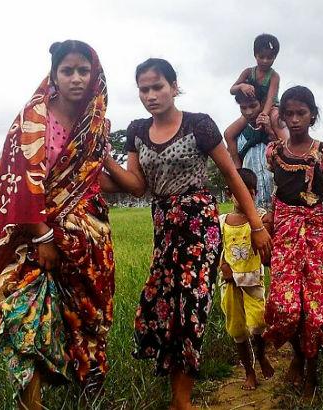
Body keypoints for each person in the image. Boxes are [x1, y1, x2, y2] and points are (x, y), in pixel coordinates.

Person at [102, 58, 271, 410]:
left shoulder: (199, 125)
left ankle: (182, 401)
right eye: (144, 89)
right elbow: (135, 187)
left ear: (174, 87)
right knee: (166, 307)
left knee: (190, 305)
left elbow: (231, 174)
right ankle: (179, 396)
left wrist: (256, 225)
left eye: (157, 87)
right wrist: (103, 158)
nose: (151, 95)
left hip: (199, 223)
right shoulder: (136, 132)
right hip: (164, 225)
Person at [0, 40, 116, 410]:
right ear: (53, 75)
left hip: (88, 235)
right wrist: (44, 236)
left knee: (88, 311)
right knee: (24, 310)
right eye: (68, 70)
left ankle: (90, 384)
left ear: (94, 74)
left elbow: (95, 177)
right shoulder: (33, 119)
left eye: (84, 70)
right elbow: (22, 179)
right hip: (36, 232)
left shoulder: (96, 124)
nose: (76, 78)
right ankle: (30, 401)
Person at [263, 85, 323, 399]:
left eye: (301, 113)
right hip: (283, 234)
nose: (294, 119)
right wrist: (266, 223)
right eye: (288, 113)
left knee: (315, 309)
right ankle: (296, 355)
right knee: (285, 305)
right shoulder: (274, 152)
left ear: (313, 115)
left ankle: (311, 373)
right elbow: (277, 192)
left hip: (315, 232)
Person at [219, 168, 275, 390]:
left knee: (258, 325)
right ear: (228, 192)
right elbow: (216, 248)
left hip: (253, 282)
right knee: (237, 330)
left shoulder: (260, 220)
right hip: (230, 283)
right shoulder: (222, 220)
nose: (243, 197)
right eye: (236, 191)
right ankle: (249, 371)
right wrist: (223, 266)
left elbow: (267, 248)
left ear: (254, 193)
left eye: (248, 192)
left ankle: (261, 356)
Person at [224, 83, 278, 208]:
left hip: (277, 199)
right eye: (243, 108)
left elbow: (285, 153)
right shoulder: (238, 134)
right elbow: (238, 170)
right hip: (253, 203)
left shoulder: (276, 124)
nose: (248, 112)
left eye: (253, 106)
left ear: (262, 103)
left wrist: (270, 131)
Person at [229, 34, 287, 141]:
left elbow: (270, 98)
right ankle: (234, 158)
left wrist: (264, 114)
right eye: (261, 57)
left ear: (275, 57)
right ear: (255, 55)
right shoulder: (248, 72)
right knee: (229, 134)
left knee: (277, 121)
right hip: (253, 108)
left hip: (271, 107)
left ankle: (288, 147)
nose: (265, 61)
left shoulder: (274, 76)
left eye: (269, 57)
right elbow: (232, 90)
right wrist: (242, 86)